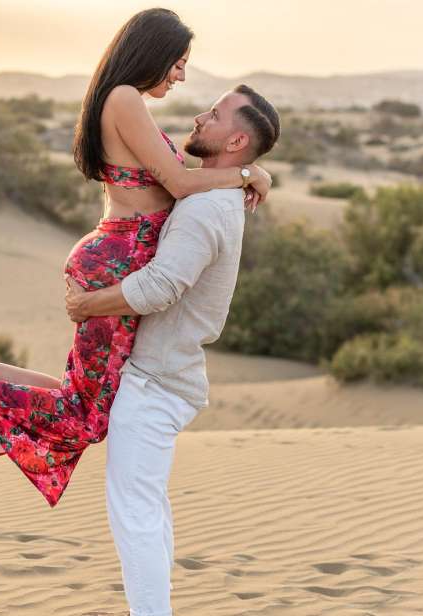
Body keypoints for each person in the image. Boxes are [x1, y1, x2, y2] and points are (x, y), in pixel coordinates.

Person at [0, 7, 272, 508]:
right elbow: (180, 183)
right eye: (178, 62)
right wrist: (247, 175)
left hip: (117, 252)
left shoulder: (123, 102)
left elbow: (166, 184)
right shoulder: (123, 99)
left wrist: (250, 175)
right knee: (85, 418)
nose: (181, 75)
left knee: (78, 398)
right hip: (120, 259)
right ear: (154, 53)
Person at [65, 84, 281, 616]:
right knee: (148, 514)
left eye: (214, 114)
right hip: (162, 378)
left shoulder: (205, 207)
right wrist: (252, 173)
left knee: (135, 519)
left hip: (155, 383)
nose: (199, 115)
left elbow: (161, 285)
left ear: (234, 139)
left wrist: (88, 305)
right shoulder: (216, 195)